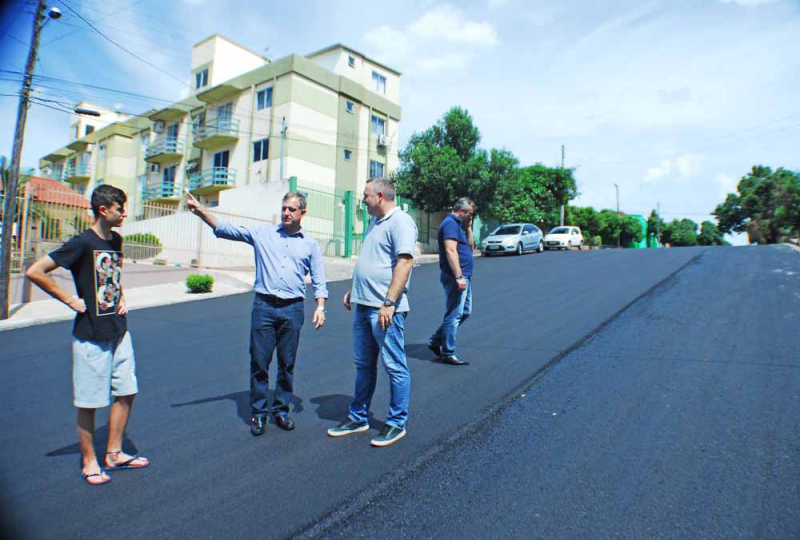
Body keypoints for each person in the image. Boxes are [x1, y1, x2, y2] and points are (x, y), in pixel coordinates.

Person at [26, 185, 149, 486]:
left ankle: (114, 453)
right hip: (90, 334)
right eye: (120, 208)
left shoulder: (116, 240)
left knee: (127, 391)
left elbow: (111, 276)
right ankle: (89, 460)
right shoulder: (82, 243)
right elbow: (36, 271)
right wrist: (70, 300)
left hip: (119, 330)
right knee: (90, 401)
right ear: (104, 210)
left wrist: (121, 297)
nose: (124, 213)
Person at [186, 190, 327, 436]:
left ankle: (281, 410)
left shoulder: (310, 244)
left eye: (291, 209)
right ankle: (259, 413)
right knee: (259, 363)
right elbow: (228, 229)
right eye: (284, 208)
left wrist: (321, 306)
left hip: (293, 309)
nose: (286, 212)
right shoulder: (264, 234)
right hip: (264, 307)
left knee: (287, 364)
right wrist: (200, 212)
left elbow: (319, 278)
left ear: (302, 213)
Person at [327, 178, 418, 447]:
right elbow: (371, 262)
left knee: (394, 366)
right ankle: (358, 417)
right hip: (364, 304)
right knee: (364, 365)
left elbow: (405, 262)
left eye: (365, 196)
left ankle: (396, 422)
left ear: (380, 196)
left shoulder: (401, 222)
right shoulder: (375, 222)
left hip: (385, 309)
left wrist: (389, 302)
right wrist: (353, 289)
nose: (363, 201)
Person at [427, 197, 475, 366]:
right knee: (454, 314)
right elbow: (450, 250)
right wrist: (459, 276)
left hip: (465, 275)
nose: (471, 217)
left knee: (465, 312)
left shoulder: (458, 226)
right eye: (470, 214)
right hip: (456, 276)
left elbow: (470, 248)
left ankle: (436, 341)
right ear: (462, 211)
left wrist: (469, 228)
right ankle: (448, 352)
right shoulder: (450, 224)